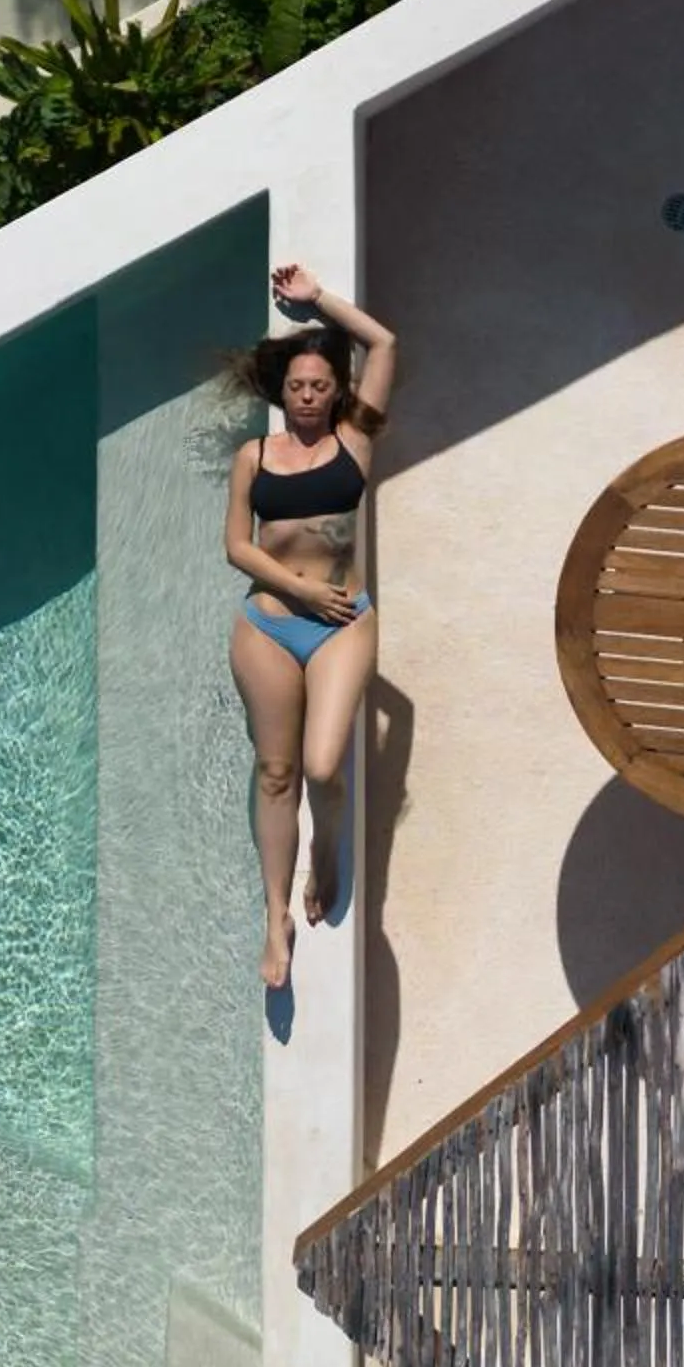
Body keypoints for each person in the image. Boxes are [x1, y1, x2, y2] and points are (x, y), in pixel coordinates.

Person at [225, 264, 396, 988]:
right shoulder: (254, 456)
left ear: (337, 391)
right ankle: (275, 917)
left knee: (323, 767)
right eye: (296, 387)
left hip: (342, 624)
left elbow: (384, 344)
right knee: (276, 771)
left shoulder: (356, 438)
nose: (306, 398)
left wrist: (316, 301)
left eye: (319, 386)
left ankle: (325, 852)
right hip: (270, 625)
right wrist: (297, 588)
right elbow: (237, 546)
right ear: (281, 390)